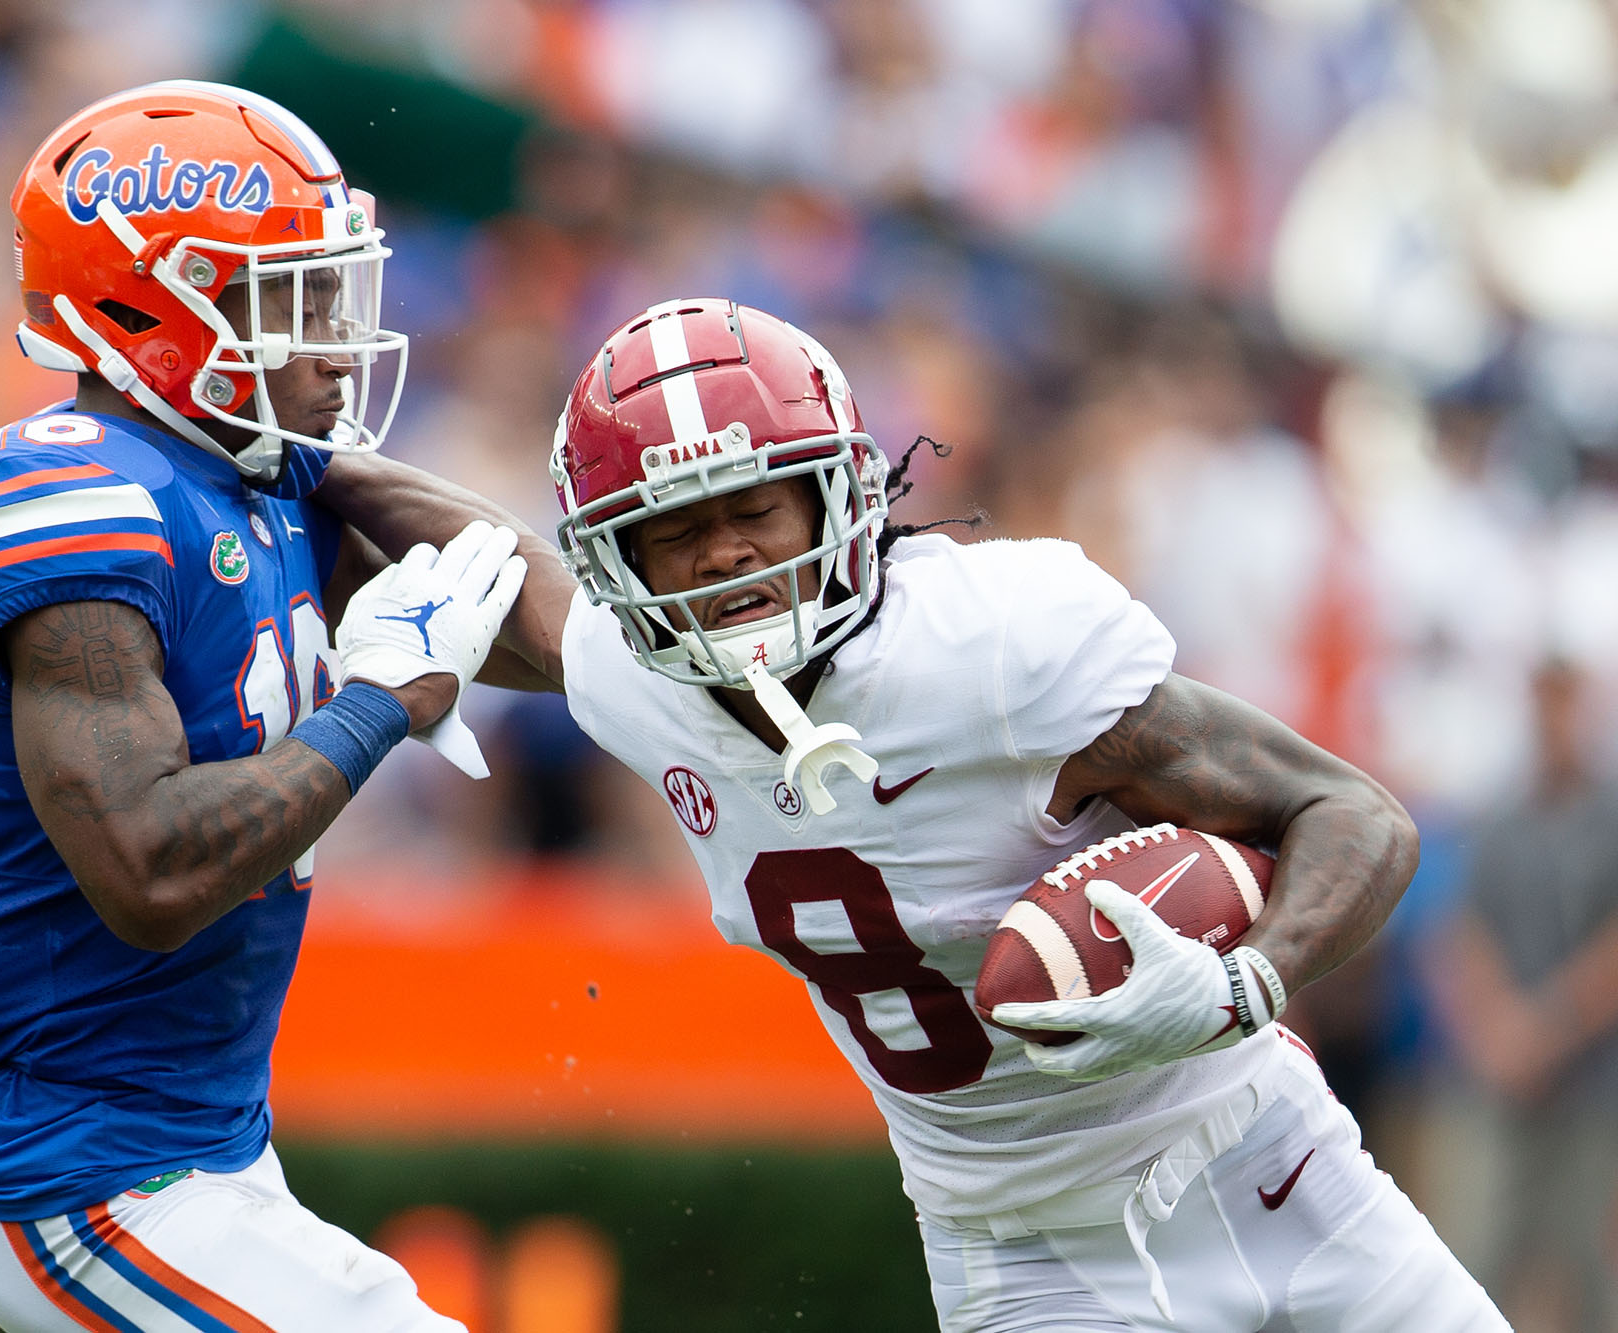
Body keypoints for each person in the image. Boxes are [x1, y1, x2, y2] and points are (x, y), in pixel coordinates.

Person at [512, 297, 1508, 1330]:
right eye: (674, 530)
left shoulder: (990, 647)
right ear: (617, 565)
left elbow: (1352, 813)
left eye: (753, 510)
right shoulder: (627, 676)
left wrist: (1242, 982)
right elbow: (484, 571)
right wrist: (330, 488)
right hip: (1026, 1259)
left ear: (835, 495)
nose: (723, 554)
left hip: (1273, 1167)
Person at [0, 81, 552, 1331]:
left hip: (204, 1147)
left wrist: (335, 470)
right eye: (284, 297)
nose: (326, 337)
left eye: (328, 292)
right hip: (80, 1174)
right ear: (147, 300)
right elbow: (146, 869)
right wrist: (373, 704)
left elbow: (555, 630)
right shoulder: (64, 497)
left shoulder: (257, 479)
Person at [1428, 657, 1618, 1332]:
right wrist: (1499, 1034)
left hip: (1593, 1082)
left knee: (1592, 1271)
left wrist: (1547, 1029)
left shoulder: (1609, 815)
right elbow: (1461, 933)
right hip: (1502, 1076)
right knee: (1479, 1254)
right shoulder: (1500, 817)